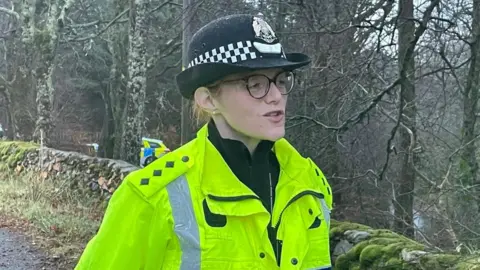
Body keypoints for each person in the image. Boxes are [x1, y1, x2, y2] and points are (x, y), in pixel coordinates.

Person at [75, 14, 333, 270]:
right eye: (256, 84)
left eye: (281, 80)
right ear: (208, 100)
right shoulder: (152, 196)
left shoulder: (312, 185)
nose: (276, 96)